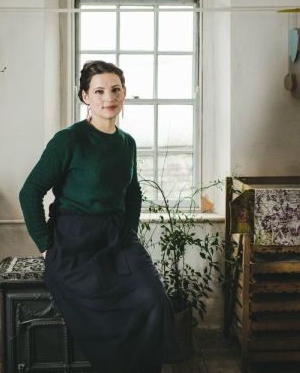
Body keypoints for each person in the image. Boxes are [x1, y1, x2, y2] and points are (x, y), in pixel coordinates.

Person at [19, 60, 179, 373]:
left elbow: (133, 193)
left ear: (124, 93)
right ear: (85, 96)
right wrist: (45, 245)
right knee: (100, 309)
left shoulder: (127, 143)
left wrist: (129, 232)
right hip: (74, 241)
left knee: (153, 300)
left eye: (115, 89)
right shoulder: (69, 140)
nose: (109, 97)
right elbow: (30, 192)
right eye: (99, 91)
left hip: (118, 239)